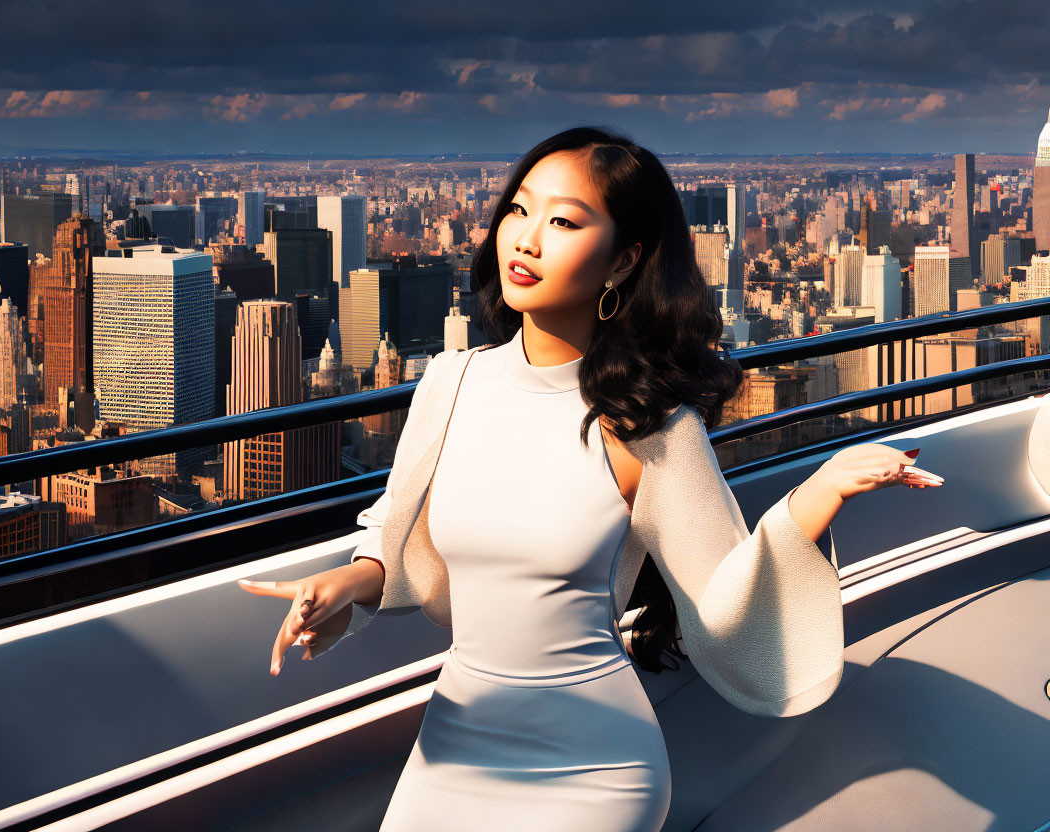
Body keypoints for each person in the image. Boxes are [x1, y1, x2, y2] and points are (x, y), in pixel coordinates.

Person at [239, 126, 944, 830]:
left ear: (621, 261)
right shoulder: (450, 383)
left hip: (593, 770)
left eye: (564, 221)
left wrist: (819, 493)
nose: (527, 238)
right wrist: (344, 584)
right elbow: (398, 537)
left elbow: (725, 600)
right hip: (454, 744)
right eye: (519, 210)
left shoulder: (646, 425)